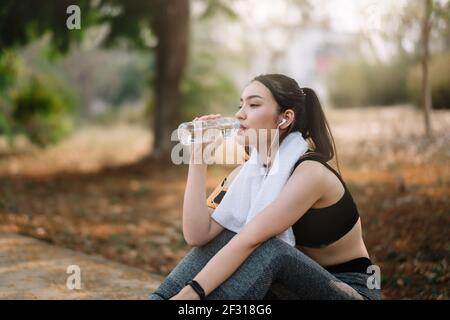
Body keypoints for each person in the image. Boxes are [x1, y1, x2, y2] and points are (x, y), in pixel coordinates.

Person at [149, 74, 381, 300]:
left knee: (268, 246)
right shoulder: (247, 173)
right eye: (241, 105)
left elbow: (250, 239)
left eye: (254, 104)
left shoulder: (311, 173)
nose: (240, 114)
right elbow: (198, 234)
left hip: (348, 291)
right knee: (230, 233)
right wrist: (198, 159)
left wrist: (192, 293)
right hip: (290, 289)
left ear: (284, 118)